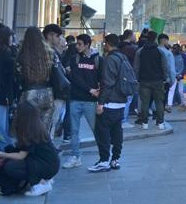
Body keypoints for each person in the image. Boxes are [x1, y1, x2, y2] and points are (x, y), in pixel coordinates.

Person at [0, 101, 60, 197]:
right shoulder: (34, 125)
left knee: (10, 167)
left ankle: (40, 183)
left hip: (46, 164)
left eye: (17, 111)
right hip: (49, 163)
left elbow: (21, 156)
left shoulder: (30, 130)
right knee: (10, 160)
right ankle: (42, 179)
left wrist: (1, 154)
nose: (15, 113)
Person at [89, 34, 131, 172]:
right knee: (117, 131)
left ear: (107, 44)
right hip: (121, 101)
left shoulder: (109, 59)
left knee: (104, 132)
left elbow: (108, 82)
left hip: (109, 102)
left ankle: (104, 160)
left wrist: (100, 103)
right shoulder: (122, 57)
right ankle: (115, 159)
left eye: (104, 43)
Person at [62, 34, 102, 169]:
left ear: (87, 45)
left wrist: (98, 93)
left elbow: (101, 77)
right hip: (76, 99)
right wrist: (90, 89)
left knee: (96, 129)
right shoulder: (75, 59)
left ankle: (104, 155)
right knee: (74, 130)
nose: (77, 46)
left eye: (80, 44)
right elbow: (76, 78)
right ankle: (75, 156)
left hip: (90, 101)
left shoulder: (97, 59)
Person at [16, 27, 55, 133]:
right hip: (47, 93)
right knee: (44, 129)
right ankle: (43, 148)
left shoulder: (22, 55)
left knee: (28, 129)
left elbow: (19, 75)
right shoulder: (49, 53)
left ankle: (30, 149)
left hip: (29, 93)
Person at [133, 30, 170, 130]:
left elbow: (136, 67)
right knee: (159, 102)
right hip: (158, 80)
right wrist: (165, 77)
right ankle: (160, 123)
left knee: (145, 102)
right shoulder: (160, 51)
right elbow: (164, 66)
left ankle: (144, 123)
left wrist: (137, 78)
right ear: (155, 39)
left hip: (144, 80)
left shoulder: (140, 51)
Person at [43, 23, 67, 139]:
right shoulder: (45, 52)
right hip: (51, 92)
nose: (59, 39)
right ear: (50, 35)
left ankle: (49, 146)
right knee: (49, 122)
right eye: (58, 36)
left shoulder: (52, 51)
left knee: (52, 122)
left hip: (55, 92)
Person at [0, 25, 15, 149]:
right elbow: (8, 78)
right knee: (1, 124)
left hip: (1, 93)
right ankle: (5, 148)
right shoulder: (6, 54)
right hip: (2, 95)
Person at [118, 30, 138, 129]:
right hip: (129, 75)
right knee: (128, 99)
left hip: (118, 75)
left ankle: (120, 119)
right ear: (130, 36)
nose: (135, 37)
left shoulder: (118, 47)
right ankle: (124, 120)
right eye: (134, 35)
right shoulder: (132, 48)